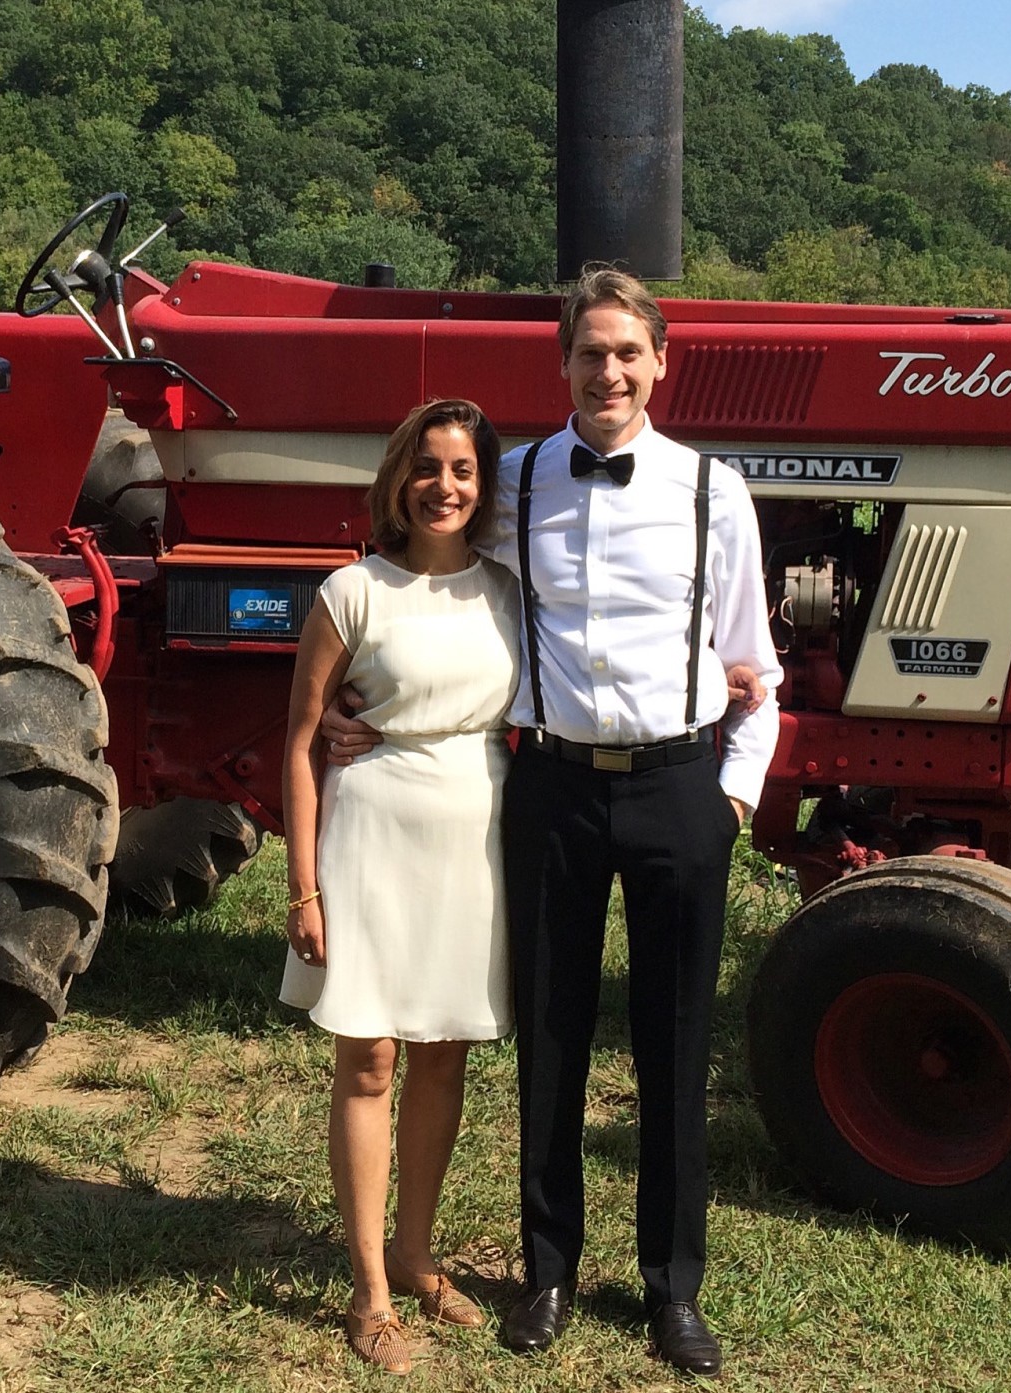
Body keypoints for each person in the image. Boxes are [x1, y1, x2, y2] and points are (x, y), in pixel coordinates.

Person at [323, 266, 782, 1377]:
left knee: (674, 1043)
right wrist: (358, 700)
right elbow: (421, 574)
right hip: (555, 790)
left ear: (661, 362)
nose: (609, 370)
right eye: (590, 352)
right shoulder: (514, 479)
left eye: (629, 351)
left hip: (680, 791)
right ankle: (548, 1271)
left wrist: (732, 797)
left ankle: (672, 1290)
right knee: (552, 1040)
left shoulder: (718, 492)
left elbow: (758, 667)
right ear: (563, 364)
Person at [279, 398, 522, 1375]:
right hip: (372, 830)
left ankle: (419, 1253)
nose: (445, 486)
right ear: (399, 477)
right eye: (428, 466)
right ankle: (370, 1288)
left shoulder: (508, 592)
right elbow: (300, 740)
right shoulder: (352, 592)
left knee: (447, 1051)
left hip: (476, 835)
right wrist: (302, 889)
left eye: (463, 470)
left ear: (483, 485)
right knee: (371, 1054)